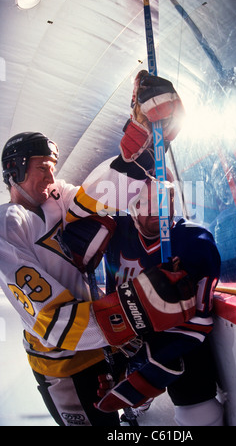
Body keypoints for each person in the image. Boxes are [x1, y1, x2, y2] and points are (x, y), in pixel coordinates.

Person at [0, 73, 191, 426]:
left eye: (52, 168)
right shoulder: (5, 228)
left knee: (98, 218)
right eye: (42, 168)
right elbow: (52, 322)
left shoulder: (56, 196)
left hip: (99, 340)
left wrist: (145, 147)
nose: (50, 177)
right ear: (14, 172)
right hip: (64, 365)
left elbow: (100, 194)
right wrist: (137, 312)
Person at [93, 173, 224, 426]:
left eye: (164, 198)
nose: (157, 208)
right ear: (131, 205)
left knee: (201, 414)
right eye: (144, 200)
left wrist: (148, 371)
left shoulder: (195, 242)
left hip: (176, 340)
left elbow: (197, 325)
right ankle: (137, 406)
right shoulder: (115, 231)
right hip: (125, 336)